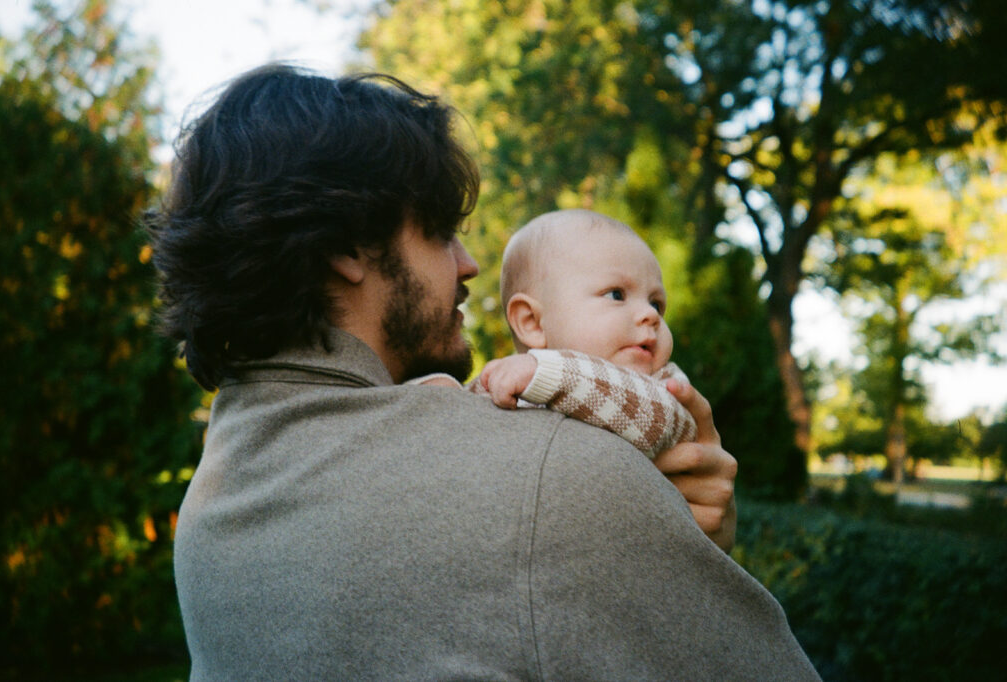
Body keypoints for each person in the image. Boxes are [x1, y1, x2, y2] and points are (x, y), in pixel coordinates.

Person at [147, 62, 820, 680]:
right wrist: (697, 553)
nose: (469, 265)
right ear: (345, 246)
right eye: (440, 230)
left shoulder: (213, 508)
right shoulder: (557, 478)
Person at [417, 208, 698, 460]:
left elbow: (658, 422)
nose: (650, 315)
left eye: (656, 303)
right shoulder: (514, 382)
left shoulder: (661, 384)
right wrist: (448, 400)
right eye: (616, 294)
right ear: (532, 322)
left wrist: (552, 375)